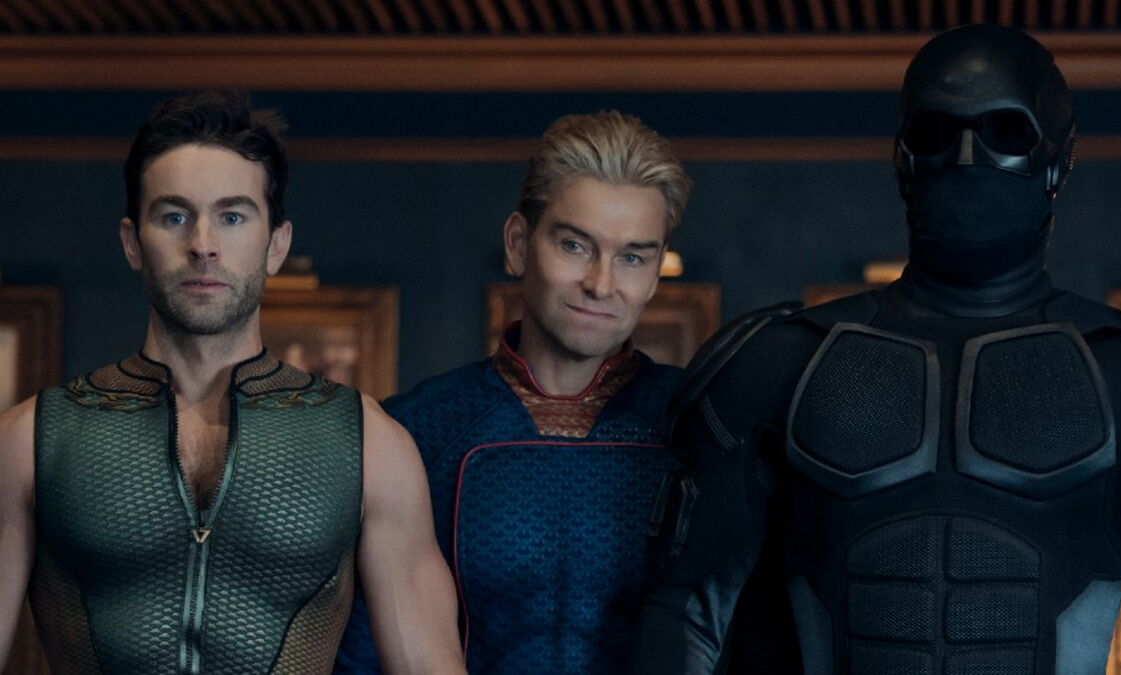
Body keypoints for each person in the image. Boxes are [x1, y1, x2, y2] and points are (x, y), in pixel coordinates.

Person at [632, 24, 1121, 673]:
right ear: (901, 158)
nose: (965, 156)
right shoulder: (774, 364)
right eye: (936, 132)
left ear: (1057, 159)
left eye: (1003, 131)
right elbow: (683, 612)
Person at [0, 91, 465, 674]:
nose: (203, 244)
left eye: (232, 216)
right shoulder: (29, 440)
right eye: (174, 216)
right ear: (132, 242)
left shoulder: (372, 445)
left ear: (277, 245)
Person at [335, 110, 692, 674]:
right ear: (519, 243)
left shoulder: (700, 429)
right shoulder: (417, 430)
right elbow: (361, 654)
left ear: (654, 273)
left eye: (632, 257)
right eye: (574, 246)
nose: (601, 283)